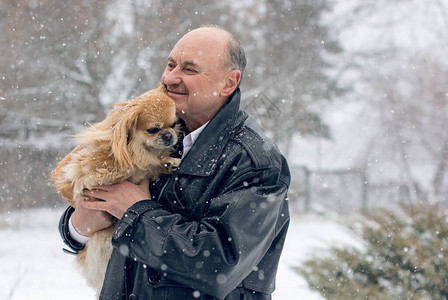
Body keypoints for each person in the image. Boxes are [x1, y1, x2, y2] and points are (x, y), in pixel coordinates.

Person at [59, 26, 290, 300]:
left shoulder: (255, 163)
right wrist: (78, 226)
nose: (170, 78)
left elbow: (219, 265)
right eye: (170, 65)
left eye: (189, 69)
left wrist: (137, 212)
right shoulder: (148, 131)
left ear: (229, 83)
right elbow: (92, 209)